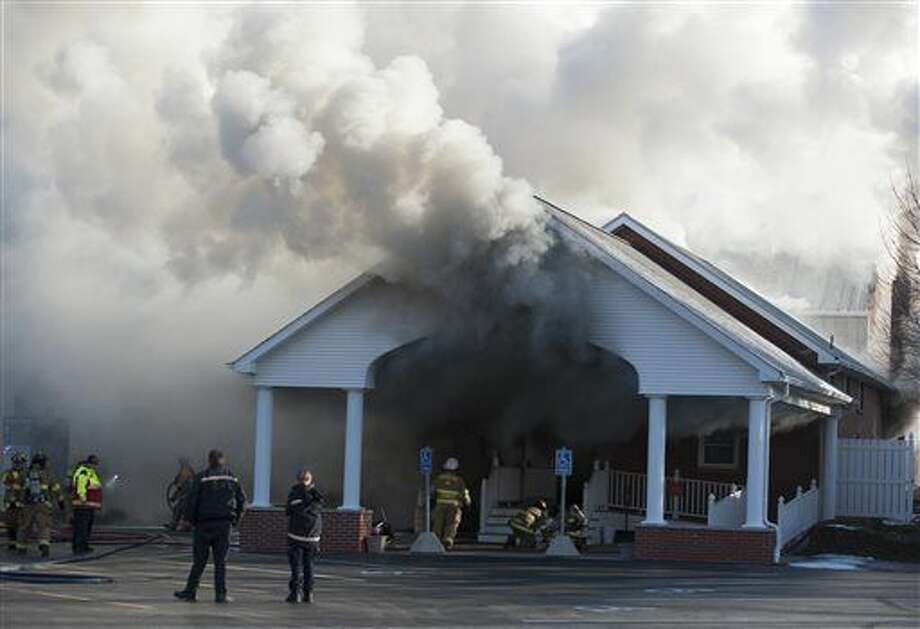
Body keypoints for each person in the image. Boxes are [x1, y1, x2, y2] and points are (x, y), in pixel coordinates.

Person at [174, 449, 246, 604]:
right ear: (223, 460)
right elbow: (242, 500)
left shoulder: (201, 477)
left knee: (199, 561)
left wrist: (188, 521)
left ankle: (190, 592)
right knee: (221, 562)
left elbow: (191, 501)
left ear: (209, 460)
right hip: (224, 525)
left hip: (203, 525)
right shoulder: (232, 478)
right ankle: (220, 595)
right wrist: (236, 520)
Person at [285, 469, 324, 604]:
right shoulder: (317, 495)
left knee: (296, 566)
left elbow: (288, 511)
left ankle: (295, 594)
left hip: (296, 535)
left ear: (298, 480)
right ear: (310, 480)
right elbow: (319, 509)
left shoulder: (294, 493)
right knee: (309, 565)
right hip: (313, 536)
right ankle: (309, 594)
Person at [17, 452, 65, 557]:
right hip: (43, 505)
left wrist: (18, 503)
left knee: (24, 526)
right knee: (44, 526)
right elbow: (56, 489)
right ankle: (44, 545)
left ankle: (21, 547)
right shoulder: (48, 474)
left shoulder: (24, 473)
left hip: (27, 505)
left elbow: (17, 490)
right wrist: (61, 503)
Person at [431, 457, 470, 550]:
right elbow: (465, 494)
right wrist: (468, 503)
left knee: (438, 524)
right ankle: (448, 541)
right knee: (451, 524)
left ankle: (435, 541)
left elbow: (432, 491)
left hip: (440, 505)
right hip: (454, 506)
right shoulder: (459, 481)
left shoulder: (439, 479)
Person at [70, 454, 103, 554]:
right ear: (90, 463)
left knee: (85, 527)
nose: (95, 466)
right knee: (81, 528)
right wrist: (82, 498)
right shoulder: (84, 471)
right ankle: (80, 547)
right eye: (94, 464)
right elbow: (81, 485)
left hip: (87, 506)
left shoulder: (90, 471)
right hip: (83, 505)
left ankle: (83, 546)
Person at [2, 451, 27, 550]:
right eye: (16, 462)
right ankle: (12, 543)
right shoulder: (8, 473)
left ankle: (20, 543)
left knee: (21, 524)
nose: (18, 464)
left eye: (20, 462)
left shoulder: (27, 474)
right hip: (10, 503)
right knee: (10, 524)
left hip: (22, 502)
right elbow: (5, 481)